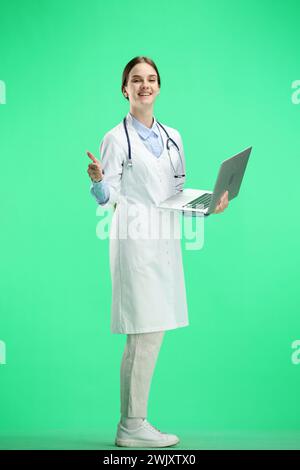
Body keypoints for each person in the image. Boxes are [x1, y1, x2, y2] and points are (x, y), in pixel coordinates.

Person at [86, 56, 229, 448]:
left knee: (154, 332)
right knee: (143, 334)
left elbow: (174, 192)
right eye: (136, 80)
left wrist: (210, 203)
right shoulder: (116, 139)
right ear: (125, 89)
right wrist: (98, 181)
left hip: (164, 241)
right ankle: (132, 424)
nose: (144, 85)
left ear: (159, 87)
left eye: (151, 79)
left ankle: (133, 422)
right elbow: (108, 196)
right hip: (134, 243)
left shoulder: (173, 137)